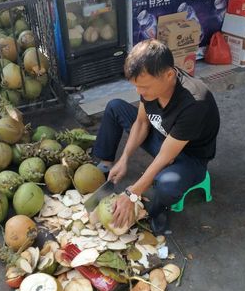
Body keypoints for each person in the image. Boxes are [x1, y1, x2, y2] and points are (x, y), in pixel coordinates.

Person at [93, 39, 220, 234]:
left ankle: (158, 211)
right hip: (163, 137)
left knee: (166, 185)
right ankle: (106, 164)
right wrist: (124, 158)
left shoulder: (194, 103)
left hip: (190, 158)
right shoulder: (151, 86)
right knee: (115, 107)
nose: (139, 92)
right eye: (136, 86)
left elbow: (166, 156)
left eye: (144, 87)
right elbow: (142, 122)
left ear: (169, 75)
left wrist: (132, 193)